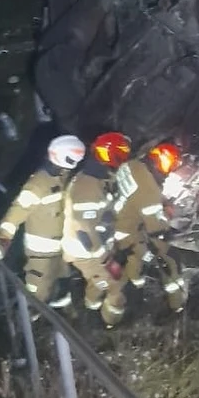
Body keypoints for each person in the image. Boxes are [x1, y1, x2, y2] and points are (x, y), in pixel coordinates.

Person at [0, 134, 84, 308]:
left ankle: (59, 312)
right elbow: (16, 213)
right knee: (37, 290)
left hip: (62, 246)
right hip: (41, 251)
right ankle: (32, 316)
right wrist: (2, 239)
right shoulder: (37, 185)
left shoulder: (63, 176)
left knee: (62, 280)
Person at [62, 131, 130, 328]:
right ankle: (111, 323)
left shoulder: (95, 178)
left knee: (98, 280)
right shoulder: (88, 187)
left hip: (96, 249)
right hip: (87, 252)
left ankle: (91, 308)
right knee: (115, 285)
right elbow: (85, 230)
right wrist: (104, 259)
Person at [112, 142, 187, 314]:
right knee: (170, 260)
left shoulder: (134, 165)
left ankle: (134, 298)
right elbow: (156, 228)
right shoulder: (149, 191)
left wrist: (163, 202)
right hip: (132, 233)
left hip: (121, 225)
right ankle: (177, 306)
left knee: (134, 263)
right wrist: (168, 227)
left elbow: (141, 192)